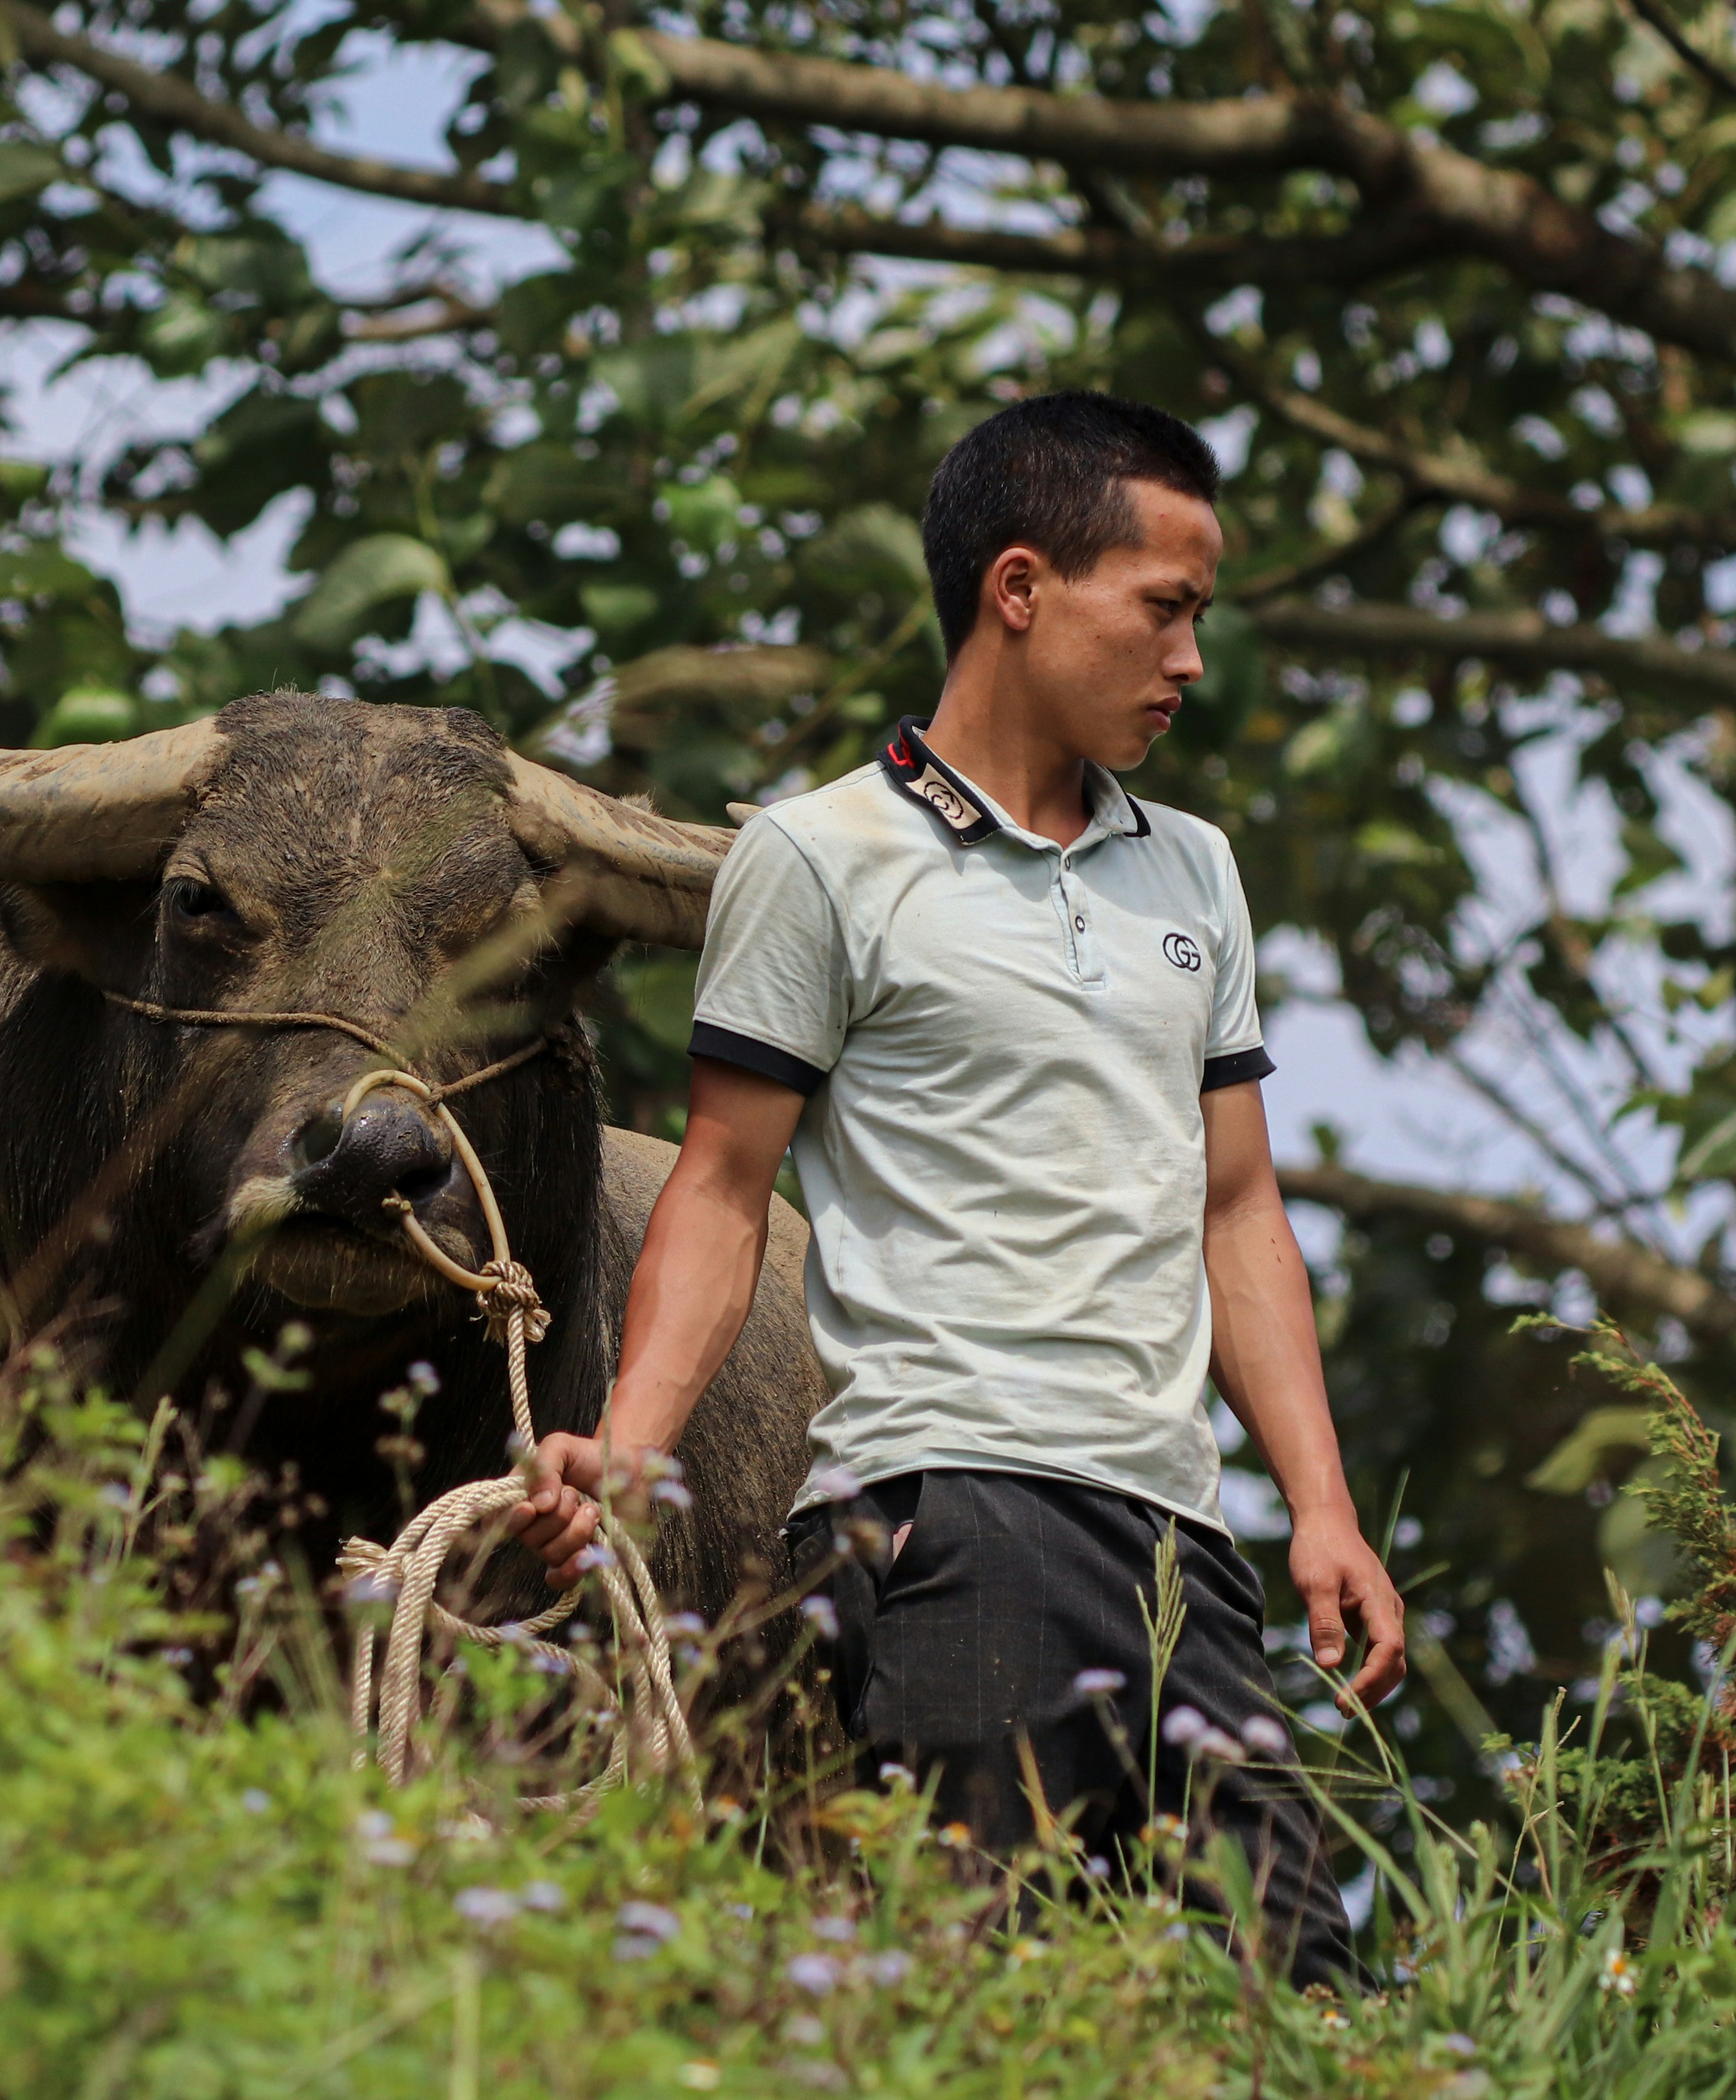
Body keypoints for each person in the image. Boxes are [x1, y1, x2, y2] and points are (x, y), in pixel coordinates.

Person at [511, 390, 1403, 1990]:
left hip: (1181, 1537)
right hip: (946, 1507)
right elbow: (722, 1191)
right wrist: (629, 1452)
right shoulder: (822, 855)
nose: (1191, 663)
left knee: (1308, 2005)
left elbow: (1238, 1210)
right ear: (1020, 590)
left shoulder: (1193, 868)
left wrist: (1320, 1510)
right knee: (993, 1995)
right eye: (1166, 610)